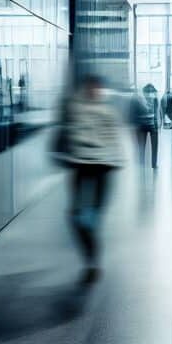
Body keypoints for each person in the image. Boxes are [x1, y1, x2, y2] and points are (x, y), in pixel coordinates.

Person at [64, 74, 125, 284]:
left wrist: (116, 158)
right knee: (76, 216)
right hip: (80, 166)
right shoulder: (75, 109)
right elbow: (69, 135)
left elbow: (114, 138)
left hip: (102, 167)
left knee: (92, 217)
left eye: (97, 87)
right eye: (91, 87)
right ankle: (91, 260)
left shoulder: (108, 112)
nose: (94, 91)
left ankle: (92, 262)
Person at [130, 83, 160, 169]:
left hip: (147, 126)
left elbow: (157, 112)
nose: (149, 94)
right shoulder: (140, 100)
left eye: (151, 91)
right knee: (145, 147)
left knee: (146, 147)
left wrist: (157, 124)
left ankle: (148, 164)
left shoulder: (153, 99)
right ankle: (147, 164)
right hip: (145, 126)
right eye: (148, 91)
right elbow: (134, 113)